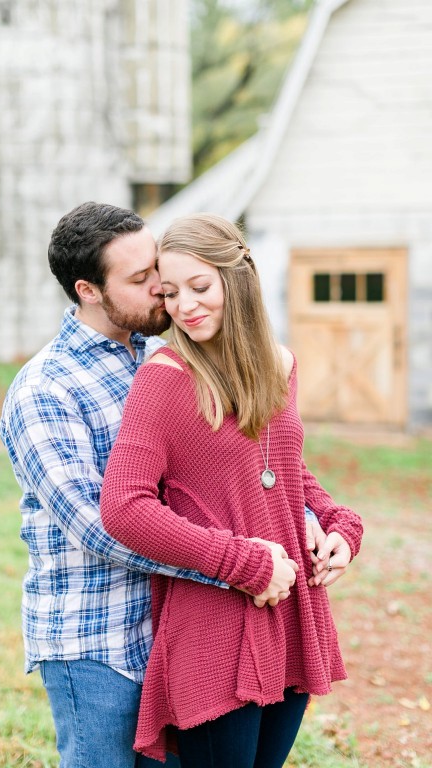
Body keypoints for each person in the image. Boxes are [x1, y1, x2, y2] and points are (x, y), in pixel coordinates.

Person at [0, 202, 335, 768]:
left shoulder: (180, 351)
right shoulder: (45, 389)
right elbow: (101, 527)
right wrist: (243, 562)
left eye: (162, 272)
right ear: (87, 290)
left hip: (186, 623)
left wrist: (319, 521)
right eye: (143, 280)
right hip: (98, 638)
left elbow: (255, 465)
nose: (164, 292)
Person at [99, 213, 363, 767]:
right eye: (170, 293)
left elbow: (282, 466)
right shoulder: (166, 377)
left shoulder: (281, 365)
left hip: (292, 610)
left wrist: (340, 523)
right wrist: (242, 562)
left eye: (200, 287)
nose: (184, 307)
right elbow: (124, 507)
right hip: (216, 618)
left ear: (238, 279)